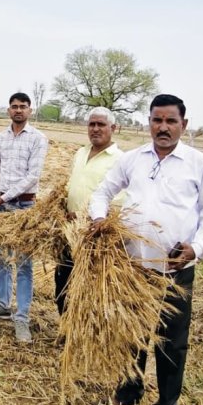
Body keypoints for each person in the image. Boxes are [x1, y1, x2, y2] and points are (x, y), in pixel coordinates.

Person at [89, 94, 203, 405]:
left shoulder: (199, 164)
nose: (163, 127)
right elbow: (103, 191)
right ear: (149, 122)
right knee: (131, 333)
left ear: (183, 124)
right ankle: (129, 391)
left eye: (170, 121)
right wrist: (99, 219)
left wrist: (197, 248)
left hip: (175, 270)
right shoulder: (133, 159)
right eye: (157, 120)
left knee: (172, 342)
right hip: (133, 267)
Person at [0, 92, 48, 343]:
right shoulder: (1, 137)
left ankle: (22, 318)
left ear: (30, 110)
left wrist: (4, 198)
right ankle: (2, 304)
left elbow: (33, 176)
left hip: (24, 205)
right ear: (8, 110)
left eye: (23, 107)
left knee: (24, 263)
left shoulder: (38, 138)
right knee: (2, 258)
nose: (18, 110)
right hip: (0, 205)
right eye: (14, 106)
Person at [55, 107, 124, 315]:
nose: (95, 129)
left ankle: (82, 329)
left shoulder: (120, 159)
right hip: (69, 233)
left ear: (113, 128)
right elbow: (71, 185)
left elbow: (119, 200)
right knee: (62, 286)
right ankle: (66, 327)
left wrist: (87, 217)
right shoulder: (81, 153)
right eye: (91, 124)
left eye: (101, 124)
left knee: (87, 291)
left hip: (95, 237)